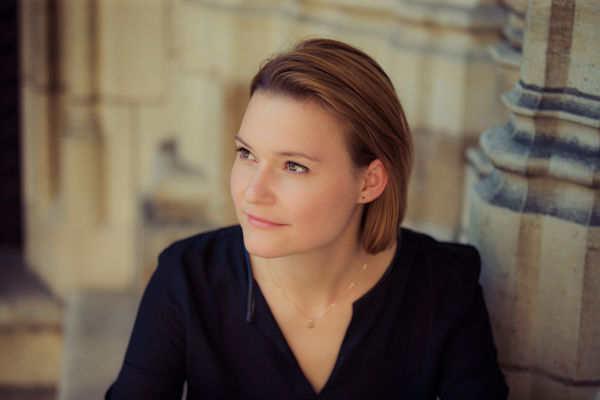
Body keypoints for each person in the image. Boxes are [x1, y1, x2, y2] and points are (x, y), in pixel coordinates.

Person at [106, 38, 508, 399]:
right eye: (247, 154)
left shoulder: (445, 288)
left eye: (294, 166)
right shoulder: (186, 279)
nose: (253, 192)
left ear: (369, 182)